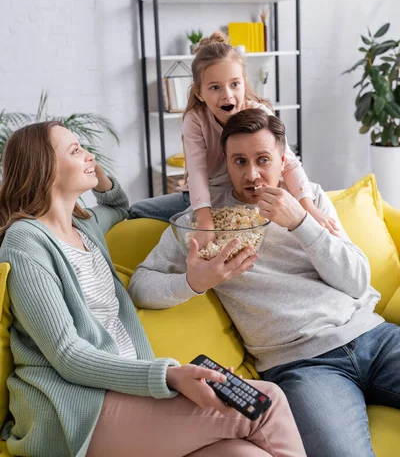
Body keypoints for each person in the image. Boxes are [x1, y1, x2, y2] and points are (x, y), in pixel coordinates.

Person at [0, 121, 306, 457]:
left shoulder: (84, 226)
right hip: (73, 412)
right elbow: (67, 355)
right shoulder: (25, 241)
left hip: (130, 396)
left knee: (245, 454)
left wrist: (94, 172)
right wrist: (170, 375)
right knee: (268, 402)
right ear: (43, 168)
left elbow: (118, 206)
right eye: (75, 150)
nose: (89, 155)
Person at [130, 108, 400, 457]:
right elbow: (139, 285)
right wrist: (194, 282)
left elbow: (358, 281)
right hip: (305, 368)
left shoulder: (310, 201)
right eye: (239, 161)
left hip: (373, 338)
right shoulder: (202, 226)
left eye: (263, 159)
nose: (252, 174)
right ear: (225, 163)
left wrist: (302, 222)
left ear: (283, 159)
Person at [129, 31, 339, 235]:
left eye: (234, 84)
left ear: (244, 84)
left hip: (250, 190)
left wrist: (309, 209)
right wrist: (205, 222)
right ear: (199, 93)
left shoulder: (259, 113)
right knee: (137, 210)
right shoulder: (195, 120)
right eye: (215, 87)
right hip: (210, 195)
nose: (227, 95)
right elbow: (197, 173)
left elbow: (289, 163)